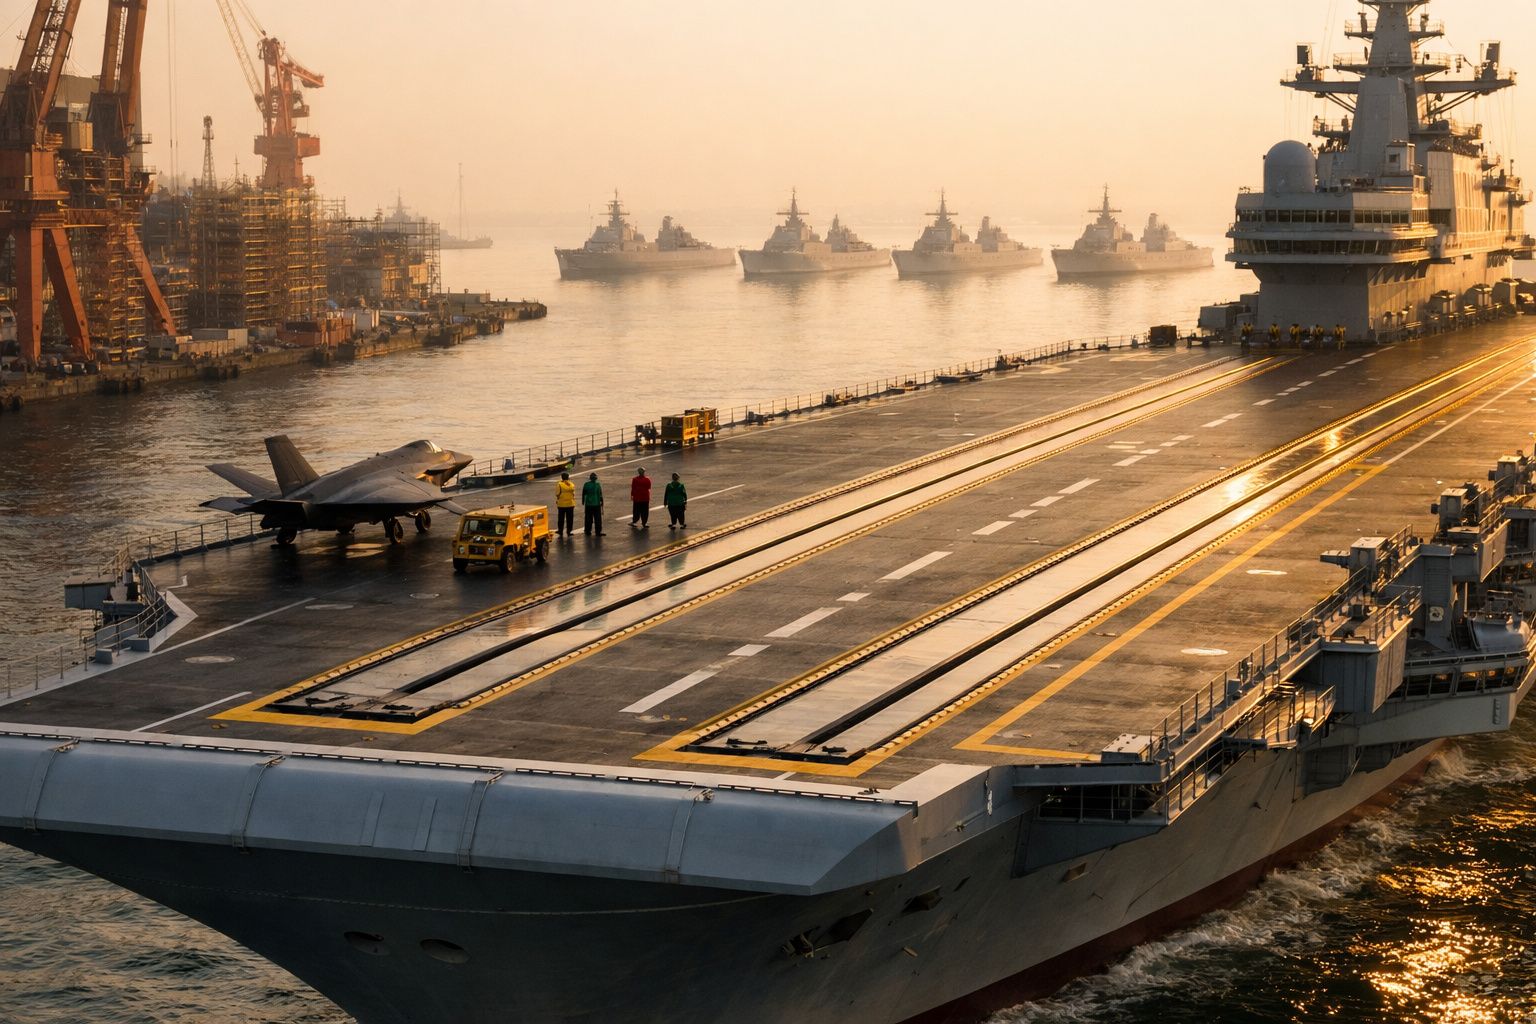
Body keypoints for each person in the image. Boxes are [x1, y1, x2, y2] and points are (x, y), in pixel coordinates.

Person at [582, 471, 605, 536]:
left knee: (588, 518)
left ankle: (587, 531)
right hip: (596, 503)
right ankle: (598, 532)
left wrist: (583, 501)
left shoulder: (586, 484)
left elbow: (584, 493)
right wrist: (602, 503)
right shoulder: (597, 484)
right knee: (597, 519)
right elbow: (600, 495)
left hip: (588, 504)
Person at [554, 472, 576, 536]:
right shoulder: (571, 484)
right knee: (570, 518)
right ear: (568, 477)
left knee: (561, 518)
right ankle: (569, 531)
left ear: (562, 477)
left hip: (562, 504)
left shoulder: (559, 484)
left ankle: (560, 531)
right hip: (570, 504)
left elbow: (557, 494)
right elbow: (573, 493)